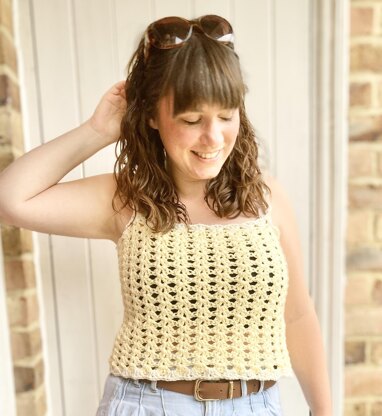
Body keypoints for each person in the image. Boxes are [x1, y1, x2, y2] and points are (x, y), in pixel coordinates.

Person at [0, 14, 332, 416]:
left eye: (226, 116)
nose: (213, 138)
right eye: (192, 120)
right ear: (153, 116)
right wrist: (96, 131)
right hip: (147, 405)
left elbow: (297, 315)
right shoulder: (126, 198)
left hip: (257, 406)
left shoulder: (267, 199)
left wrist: (325, 411)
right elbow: (11, 199)